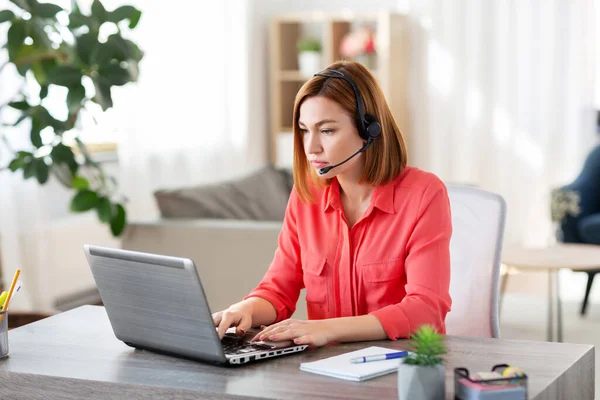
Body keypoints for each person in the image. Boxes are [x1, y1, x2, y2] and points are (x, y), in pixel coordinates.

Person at [213, 60, 452, 347]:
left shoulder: (424, 194)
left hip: (401, 364)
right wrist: (246, 309)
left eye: (326, 131)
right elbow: (278, 289)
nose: (311, 147)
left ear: (369, 130)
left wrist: (329, 329)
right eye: (304, 130)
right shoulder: (306, 197)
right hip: (325, 368)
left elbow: (426, 311)